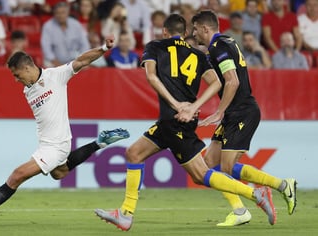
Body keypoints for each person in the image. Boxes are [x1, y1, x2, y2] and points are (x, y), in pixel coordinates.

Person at [95, 14, 276, 231]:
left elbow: (151, 77)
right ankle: (125, 213)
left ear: (164, 31)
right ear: (185, 32)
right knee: (134, 153)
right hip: (176, 120)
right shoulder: (199, 55)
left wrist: (176, 104)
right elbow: (217, 83)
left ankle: (255, 194)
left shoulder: (155, 46)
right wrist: (193, 105)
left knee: (201, 175)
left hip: (176, 121)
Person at [0, 35, 130, 224]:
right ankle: (100, 142)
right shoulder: (28, 90)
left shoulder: (56, 76)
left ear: (27, 67)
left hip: (56, 145)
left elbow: (81, 60)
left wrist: (104, 47)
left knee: (17, 175)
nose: (16, 80)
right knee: (59, 173)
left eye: (17, 75)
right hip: (47, 144)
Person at [190, 10, 297, 227]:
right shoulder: (227, 41)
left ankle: (245, 207)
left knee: (225, 169)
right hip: (234, 113)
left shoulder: (218, 47)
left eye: (195, 29)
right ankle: (281, 186)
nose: (193, 33)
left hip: (242, 112)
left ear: (205, 28)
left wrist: (219, 111)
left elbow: (232, 81)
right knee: (208, 165)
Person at [41, 1, 90, 67]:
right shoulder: (48, 26)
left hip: (75, 60)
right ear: (54, 14)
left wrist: (80, 60)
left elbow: (85, 44)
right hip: (54, 61)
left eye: (63, 13)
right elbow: (46, 48)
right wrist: (56, 63)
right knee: (47, 62)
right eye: (57, 13)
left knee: (88, 64)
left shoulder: (76, 24)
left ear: (68, 13)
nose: (60, 15)